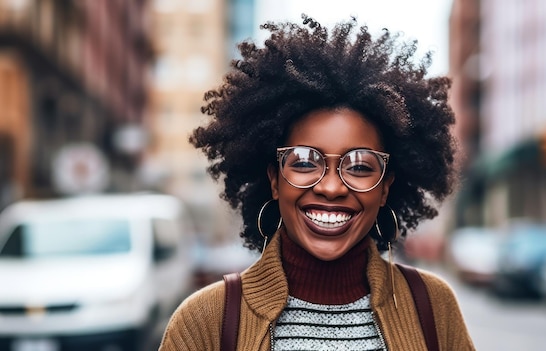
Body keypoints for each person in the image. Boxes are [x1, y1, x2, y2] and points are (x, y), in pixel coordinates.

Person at [159, 15, 475, 350]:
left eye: (359, 166)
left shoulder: (432, 307)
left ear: (385, 188)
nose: (331, 187)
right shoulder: (206, 320)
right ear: (275, 180)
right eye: (306, 162)